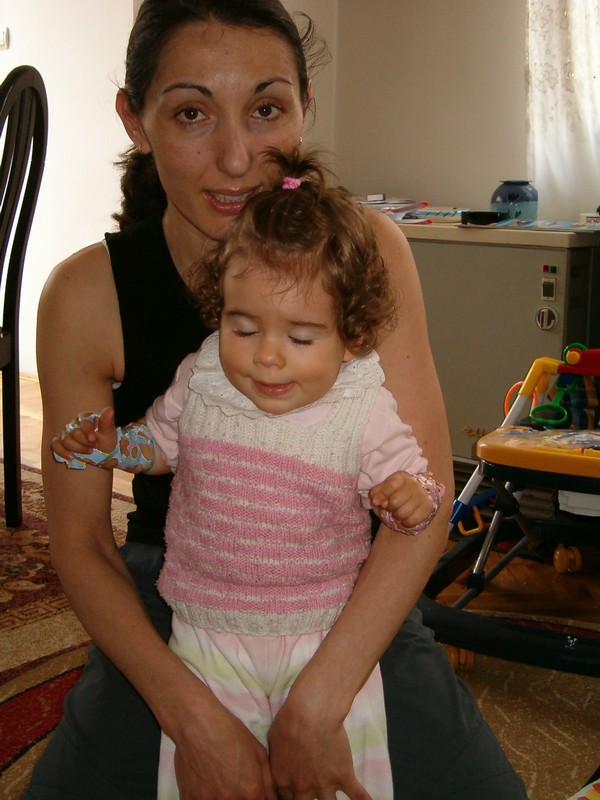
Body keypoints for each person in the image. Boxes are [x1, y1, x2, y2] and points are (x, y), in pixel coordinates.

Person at [26, 1, 527, 798]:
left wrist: (318, 703)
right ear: (135, 120)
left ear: (304, 108)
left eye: (265, 109)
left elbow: (422, 497)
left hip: (346, 591)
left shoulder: (368, 251)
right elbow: (82, 541)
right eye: (191, 113)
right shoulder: (86, 295)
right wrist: (194, 720)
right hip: (174, 593)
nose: (235, 159)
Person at [51, 148, 446, 800]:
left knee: (330, 781)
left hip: (322, 636)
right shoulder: (204, 374)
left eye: (301, 337)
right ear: (220, 309)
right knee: (209, 784)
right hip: (205, 635)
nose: (266, 356)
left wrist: (412, 496)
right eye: (243, 327)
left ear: (350, 336)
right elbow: (159, 444)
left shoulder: (360, 403)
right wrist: (109, 447)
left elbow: (420, 483)